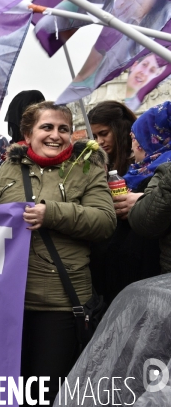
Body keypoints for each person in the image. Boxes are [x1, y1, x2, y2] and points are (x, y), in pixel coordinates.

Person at [0, 101, 116, 405]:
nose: (56, 135)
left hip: (60, 304)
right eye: (47, 127)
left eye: (63, 129)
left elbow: (105, 221)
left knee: (46, 394)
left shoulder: (87, 166)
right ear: (28, 134)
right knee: (10, 391)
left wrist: (52, 213)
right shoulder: (9, 168)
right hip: (7, 304)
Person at [87, 101, 160, 304]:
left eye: (103, 133)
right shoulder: (98, 164)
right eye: (94, 137)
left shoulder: (148, 164)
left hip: (143, 263)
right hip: (113, 259)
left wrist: (143, 201)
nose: (99, 141)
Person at [128, 101, 171, 273]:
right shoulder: (150, 171)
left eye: (133, 138)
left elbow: (145, 222)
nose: (132, 146)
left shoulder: (159, 169)